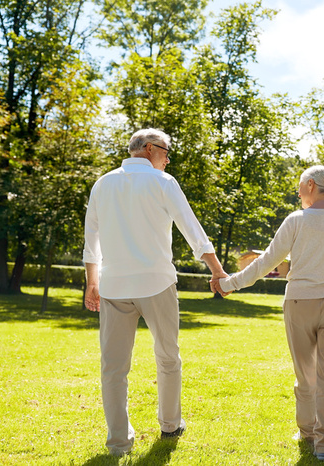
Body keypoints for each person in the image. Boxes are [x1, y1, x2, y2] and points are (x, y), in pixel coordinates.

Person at [83, 128, 227, 456]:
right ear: (149, 149)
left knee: (113, 367)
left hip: (114, 286)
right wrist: (217, 270)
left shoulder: (103, 184)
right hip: (157, 284)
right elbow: (192, 229)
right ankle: (170, 424)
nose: (167, 158)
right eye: (166, 152)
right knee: (167, 357)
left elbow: (92, 238)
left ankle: (118, 443)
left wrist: (92, 281)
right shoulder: (164, 183)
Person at [214, 165, 324, 461]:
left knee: (306, 374)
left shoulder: (296, 220)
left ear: (311, 185)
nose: (298, 192)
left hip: (300, 303)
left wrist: (230, 284)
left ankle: (307, 431)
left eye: (299, 186)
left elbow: (266, 262)